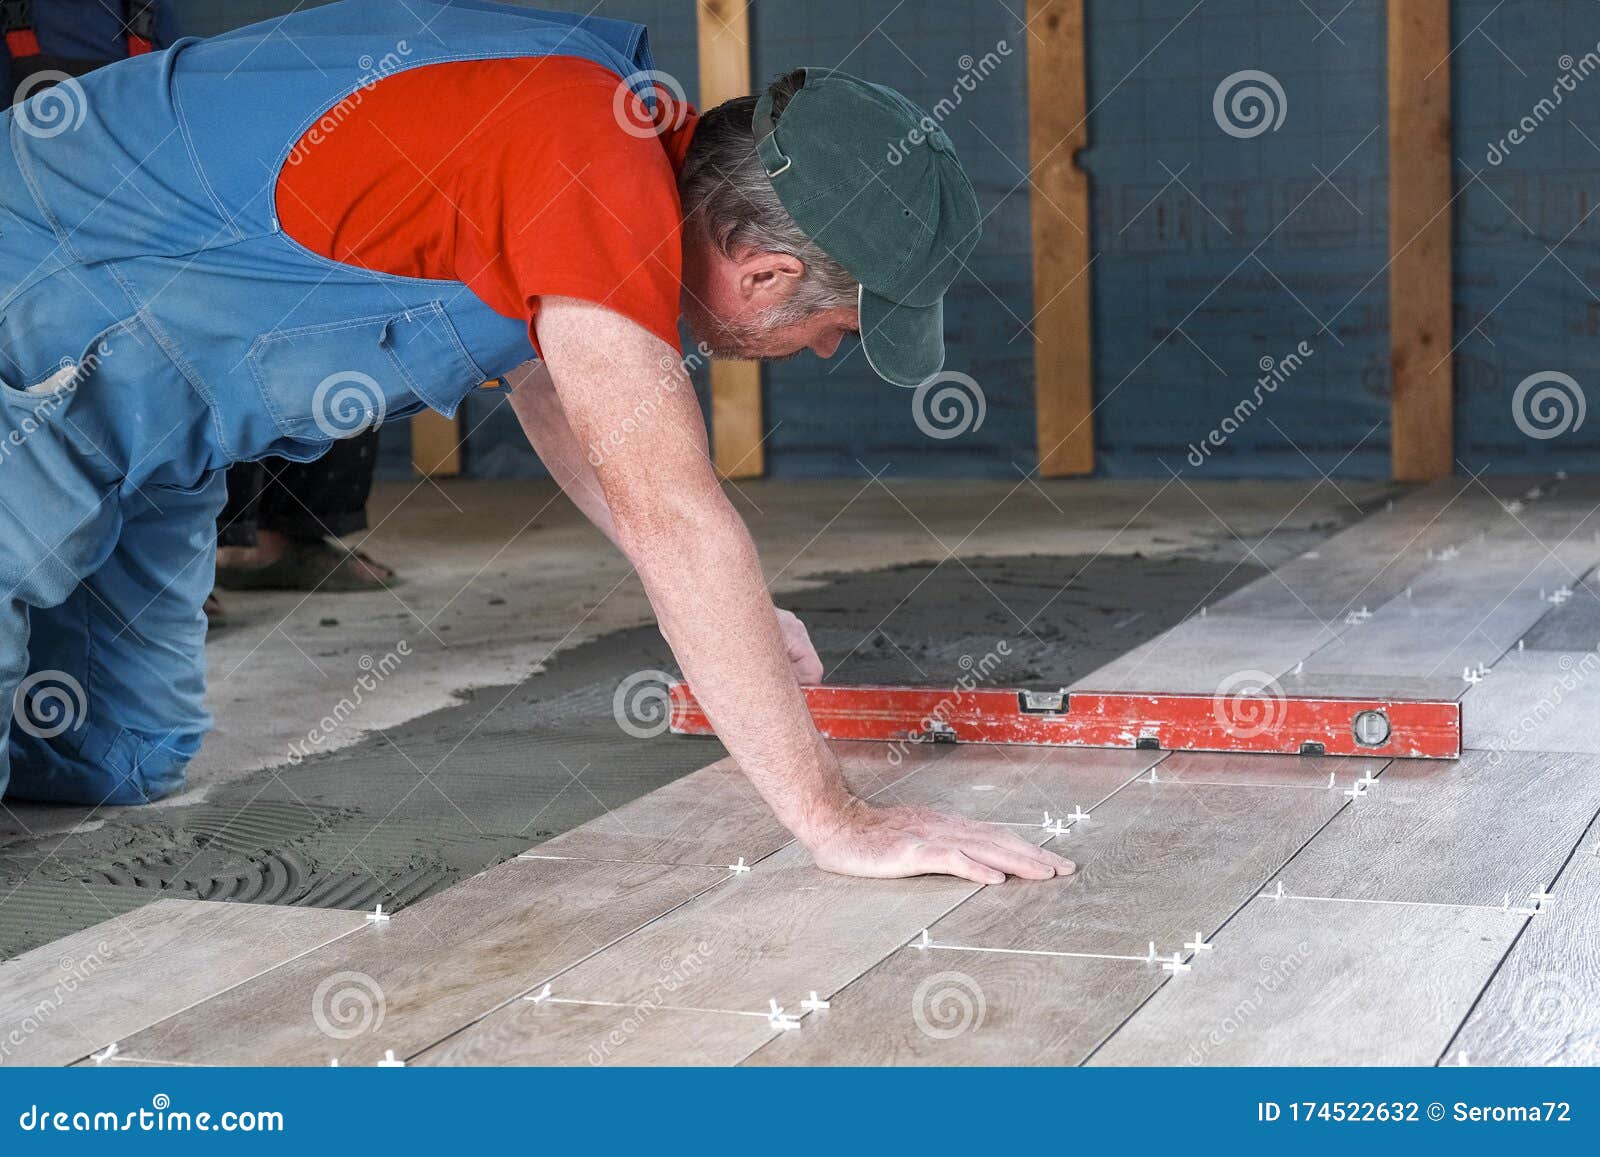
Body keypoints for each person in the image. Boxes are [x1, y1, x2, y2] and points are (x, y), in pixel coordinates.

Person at [0, 0, 1070, 886]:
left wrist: (738, 618)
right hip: (36, 327)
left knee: (114, 762)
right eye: (834, 330)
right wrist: (840, 819)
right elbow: (674, 516)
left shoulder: (606, 144)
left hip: (149, 425)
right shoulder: (580, 153)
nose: (827, 353)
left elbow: (557, 381)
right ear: (763, 269)